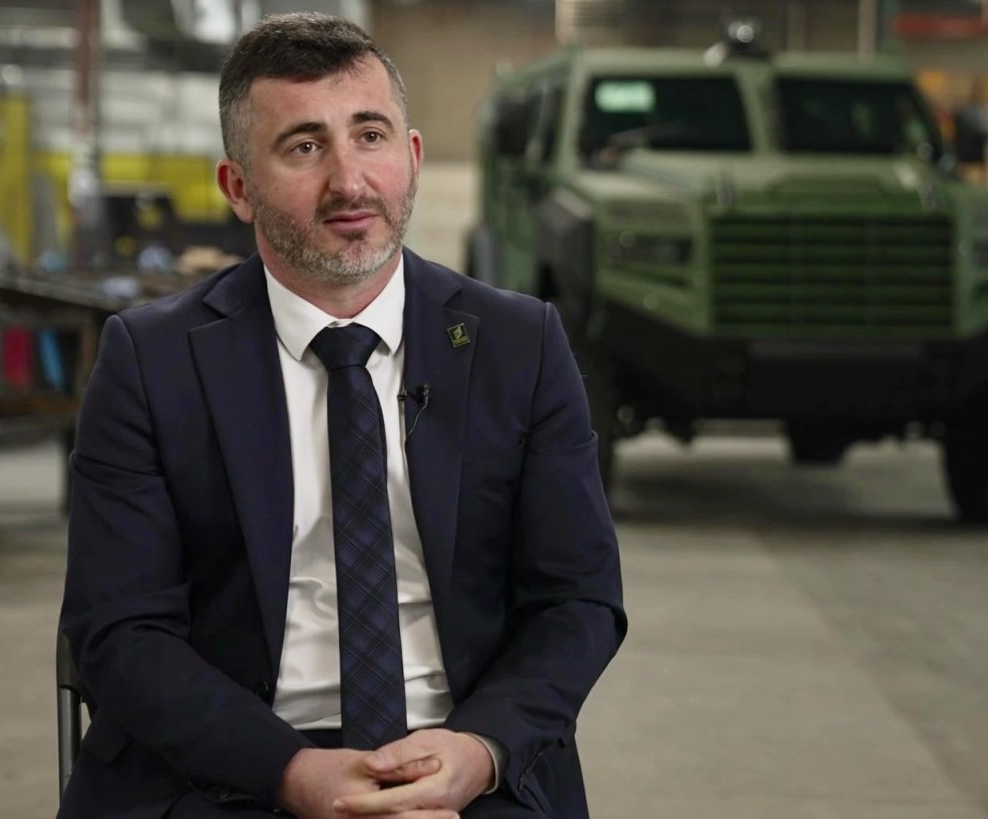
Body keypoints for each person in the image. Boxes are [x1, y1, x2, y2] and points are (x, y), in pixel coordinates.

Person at [58, 12, 626, 819]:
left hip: (464, 766)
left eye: (370, 136)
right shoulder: (150, 360)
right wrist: (291, 770)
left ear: (413, 156)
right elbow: (118, 628)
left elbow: (578, 600)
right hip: (219, 772)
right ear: (238, 188)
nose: (349, 182)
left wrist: (478, 749)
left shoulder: (519, 344)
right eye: (303, 146)